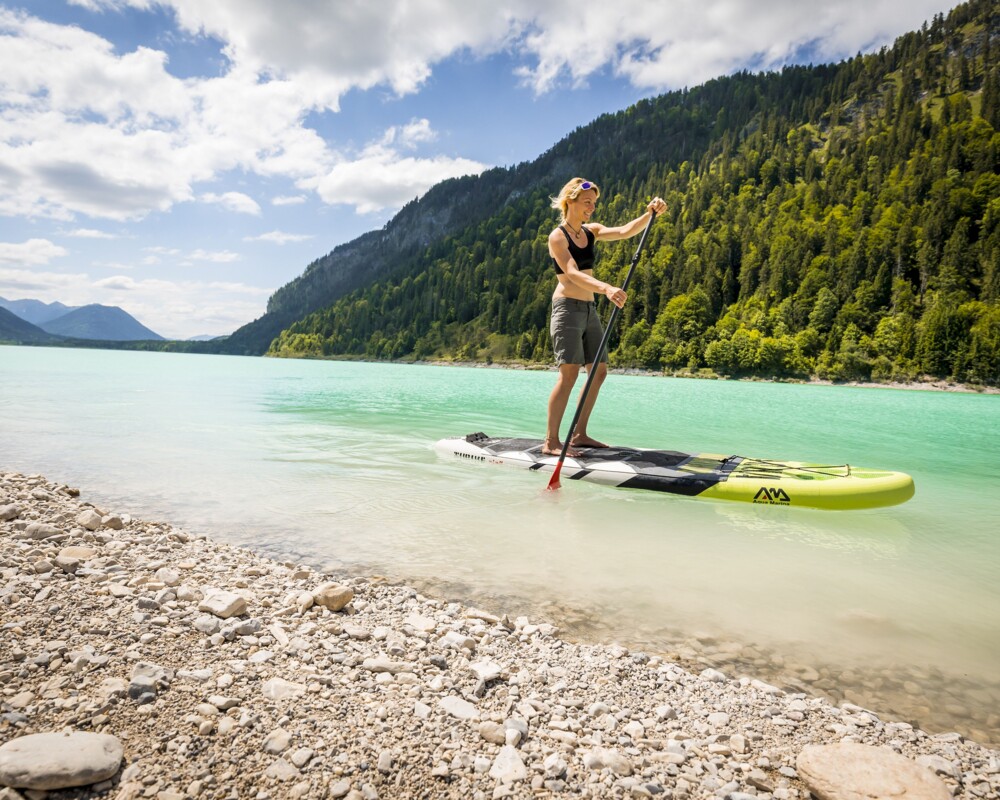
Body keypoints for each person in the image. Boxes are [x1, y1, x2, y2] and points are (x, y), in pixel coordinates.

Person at [543, 177, 666, 456]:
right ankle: (551, 441)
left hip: (588, 310)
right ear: (570, 201)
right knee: (569, 375)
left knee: (598, 370)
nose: (592, 208)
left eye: (594, 203)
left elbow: (624, 231)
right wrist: (606, 288)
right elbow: (571, 273)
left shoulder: (591, 231)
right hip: (567, 309)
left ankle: (579, 434)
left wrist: (650, 214)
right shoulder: (557, 236)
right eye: (587, 202)